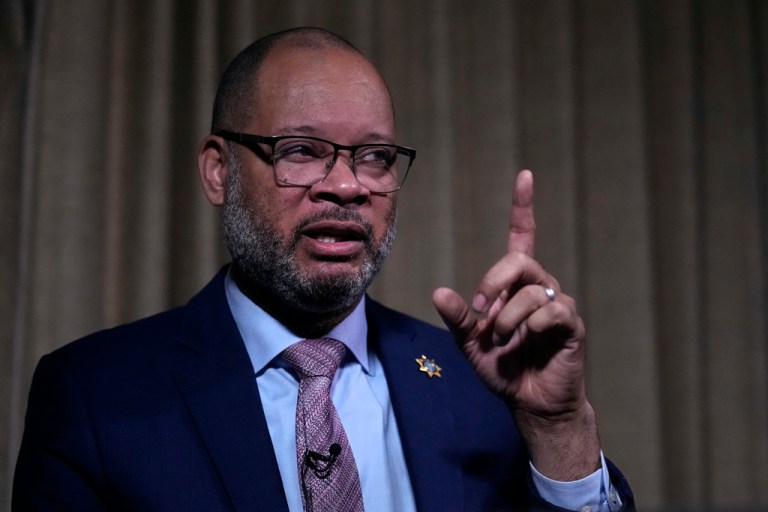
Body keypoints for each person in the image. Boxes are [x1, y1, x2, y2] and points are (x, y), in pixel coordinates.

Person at [13, 27, 634, 511]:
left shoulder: (484, 387)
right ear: (218, 171)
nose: (346, 186)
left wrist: (560, 429)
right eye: (302, 152)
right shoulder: (95, 396)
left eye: (374, 157)